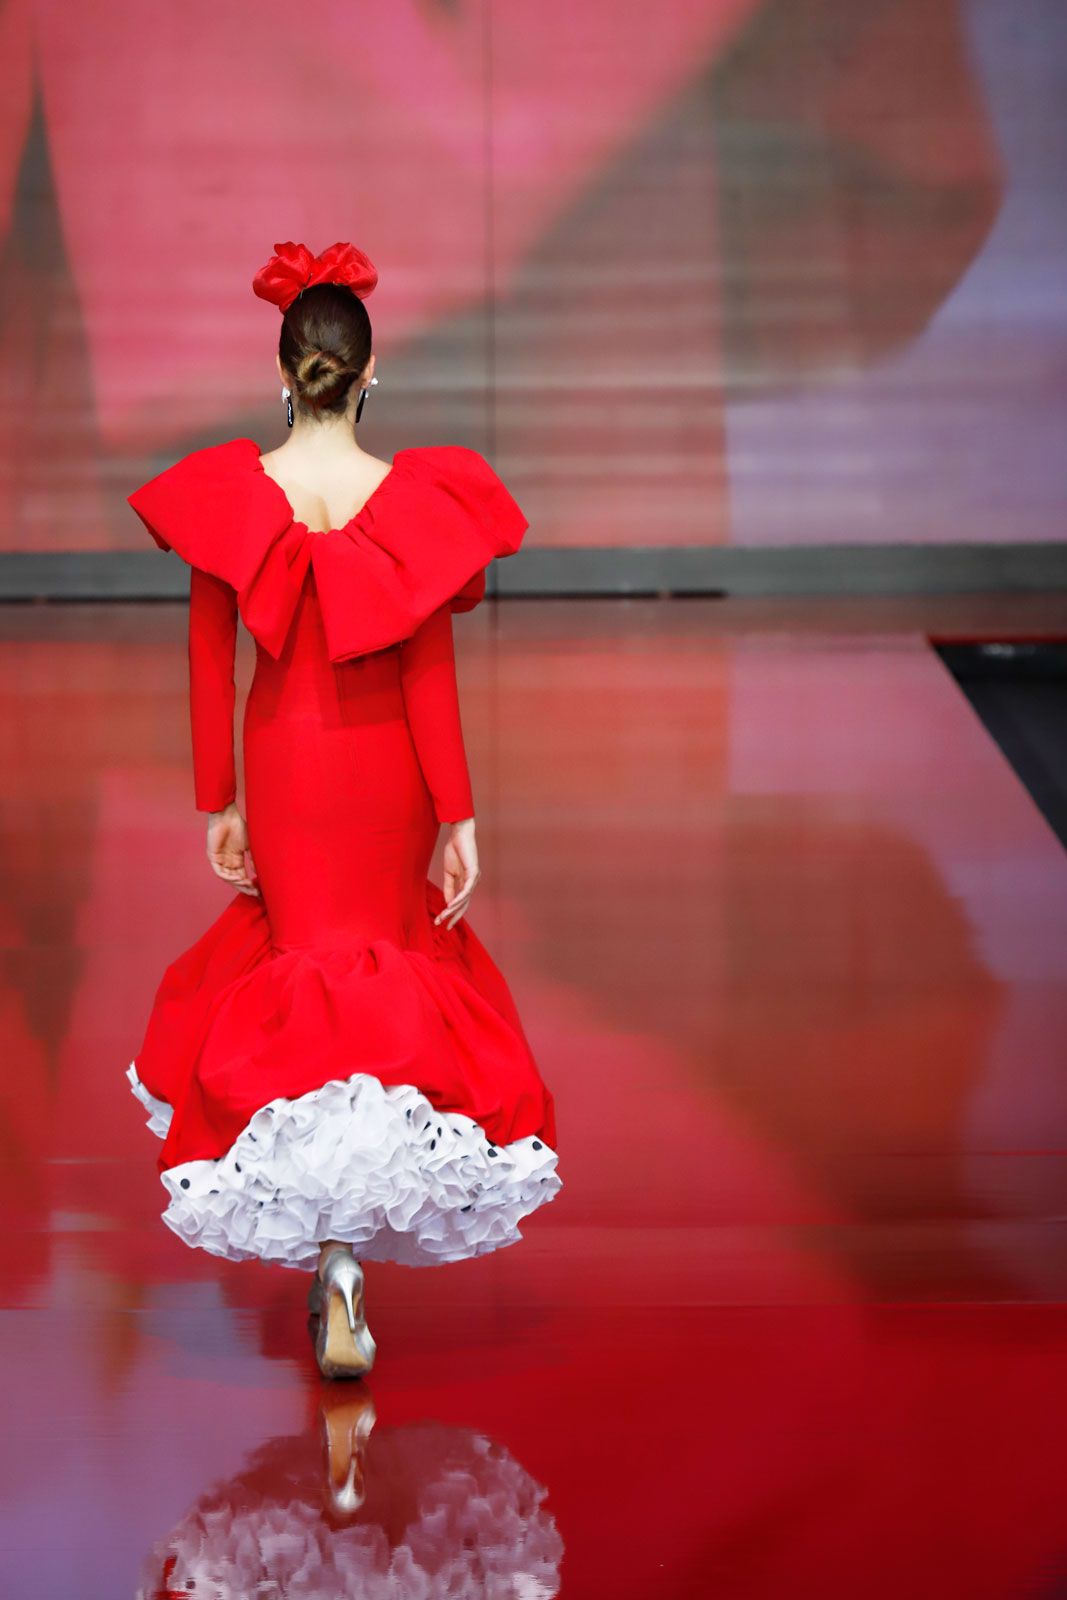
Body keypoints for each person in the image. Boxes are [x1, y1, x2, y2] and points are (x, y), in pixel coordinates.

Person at [124, 240, 561, 1379]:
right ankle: (347, 1256)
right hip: (387, 777)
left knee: (302, 971)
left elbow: (208, 660)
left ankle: (332, 1255)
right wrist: (457, 815)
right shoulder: (409, 504)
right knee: (383, 966)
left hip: (284, 766)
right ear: (369, 376)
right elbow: (429, 674)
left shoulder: (232, 496)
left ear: (283, 373)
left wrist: (217, 803)